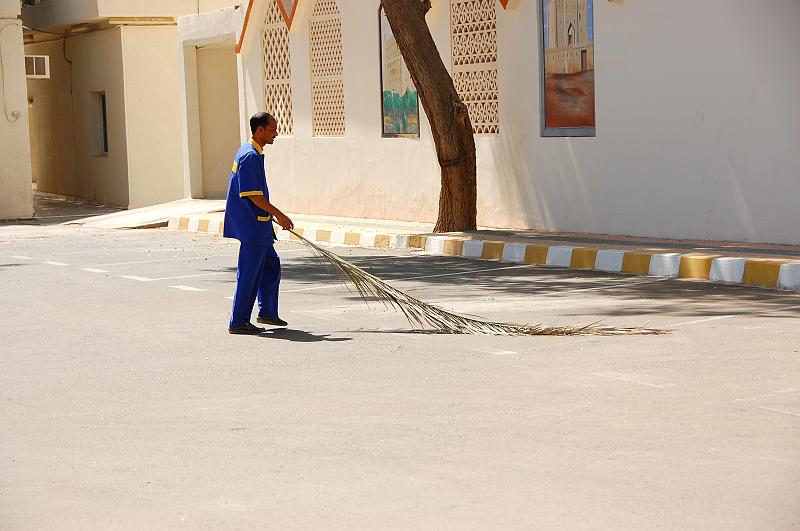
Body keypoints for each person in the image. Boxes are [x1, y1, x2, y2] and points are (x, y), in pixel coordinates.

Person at [223, 112, 294, 335]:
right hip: (252, 227)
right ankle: (238, 321)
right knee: (249, 274)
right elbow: (254, 196)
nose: (276, 133)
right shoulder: (250, 156)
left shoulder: (251, 151)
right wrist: (280, 215)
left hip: (259, 225)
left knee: (271, 266)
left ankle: (267, 312)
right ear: (260, 130)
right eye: (272, 129)